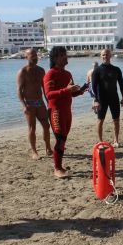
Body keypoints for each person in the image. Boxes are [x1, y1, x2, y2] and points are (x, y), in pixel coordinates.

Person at [43, 47, 86, 178]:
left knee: (63, 139)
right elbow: (49, 95)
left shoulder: (68, 74)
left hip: (67, 111)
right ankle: (57, 169)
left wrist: (82, 89)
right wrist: (66, 90)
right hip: (56, 111)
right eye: (63, 55)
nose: (66, 57)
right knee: (60, 139)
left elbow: (71, 94)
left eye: (65, 55)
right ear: (56, 58)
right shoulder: (50, 73)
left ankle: (59, 166)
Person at [16, 48, 52, 160]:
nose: (35, 57)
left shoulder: (41, 70)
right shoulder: (23, 71)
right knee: (32, 128)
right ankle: (34, 151)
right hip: (29, 104)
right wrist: (24, 105)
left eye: (36, 55)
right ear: (26, 57)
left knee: (46, 125)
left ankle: (48, 148)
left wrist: (49, 102)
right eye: (32, 55)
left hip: (40, 102)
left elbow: (44, 88)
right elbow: (19, 90)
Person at [91, 49, 123, 147]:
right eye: (103, 55)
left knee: (116, 120)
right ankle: (101, 142)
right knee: (100, 120)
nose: (105, 56)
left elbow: (121, 84)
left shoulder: (116, 69)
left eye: (106, 55)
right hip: (101, 99)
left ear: (110, 56)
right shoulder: (97, 71)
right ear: (100, 56)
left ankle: (116, 140)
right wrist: (96, 100)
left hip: (114, 98)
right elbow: (93, 87)